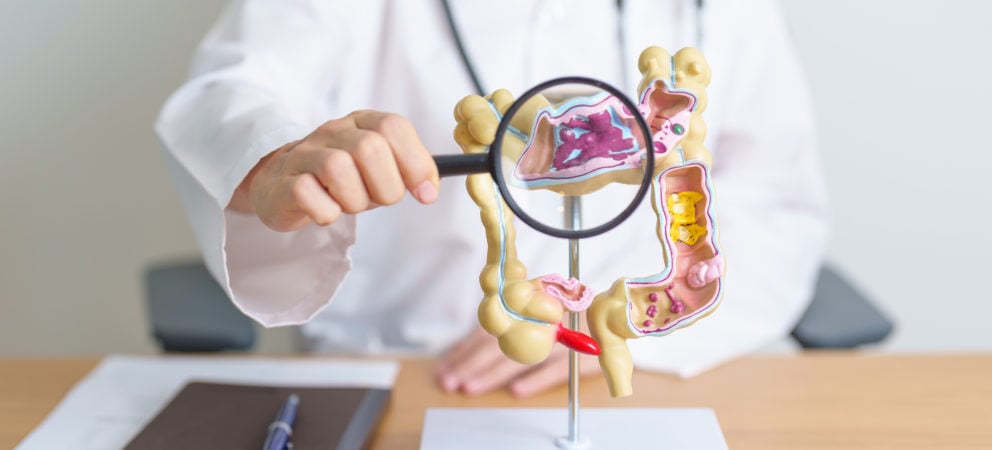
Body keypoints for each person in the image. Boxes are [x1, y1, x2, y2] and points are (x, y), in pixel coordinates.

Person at [156, 0, 828, 398]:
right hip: (411, 370)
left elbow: (773, 200)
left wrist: (631, 327)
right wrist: (273, 157)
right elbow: (232, 92)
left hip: (652, 376)